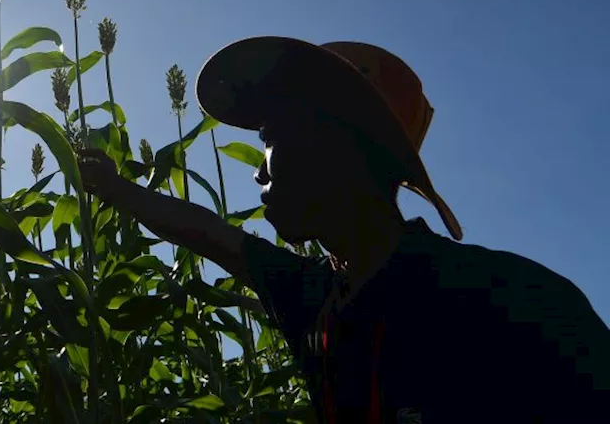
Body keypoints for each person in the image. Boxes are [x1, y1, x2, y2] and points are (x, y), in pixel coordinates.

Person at [78, 37, 610, 422]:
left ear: (336, 145)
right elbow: (209, 233)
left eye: (270, 137)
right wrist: (114, 187)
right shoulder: (317, 296)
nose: (258, 170)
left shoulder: (515, 304)